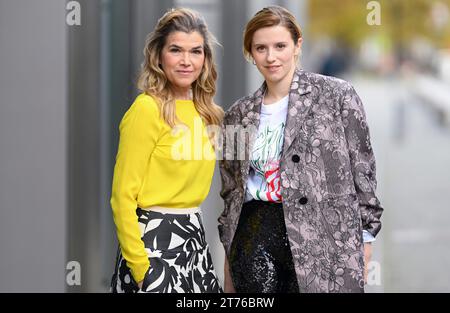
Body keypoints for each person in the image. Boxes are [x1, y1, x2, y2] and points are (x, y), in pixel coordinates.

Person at [218, 5, 383, 293]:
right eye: (261, 48)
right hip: (255, 237)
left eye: (280, 45)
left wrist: (366, 237)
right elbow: (232, 193)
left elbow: (363, 170)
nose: (271, 57)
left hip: (326, 240)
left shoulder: (337, 96)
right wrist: (228, 257)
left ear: (297, 45)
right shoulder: (237, 114)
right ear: (250, 53)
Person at [110, 7, 223, 293]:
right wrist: (140, 270)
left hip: (194, 242)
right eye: (176, 50)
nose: (187, 61)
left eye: (196, 51)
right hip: (153, 246)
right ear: (159, 55)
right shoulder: (147, 109)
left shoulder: (208, 114)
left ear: (205, 58)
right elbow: (122, 197)